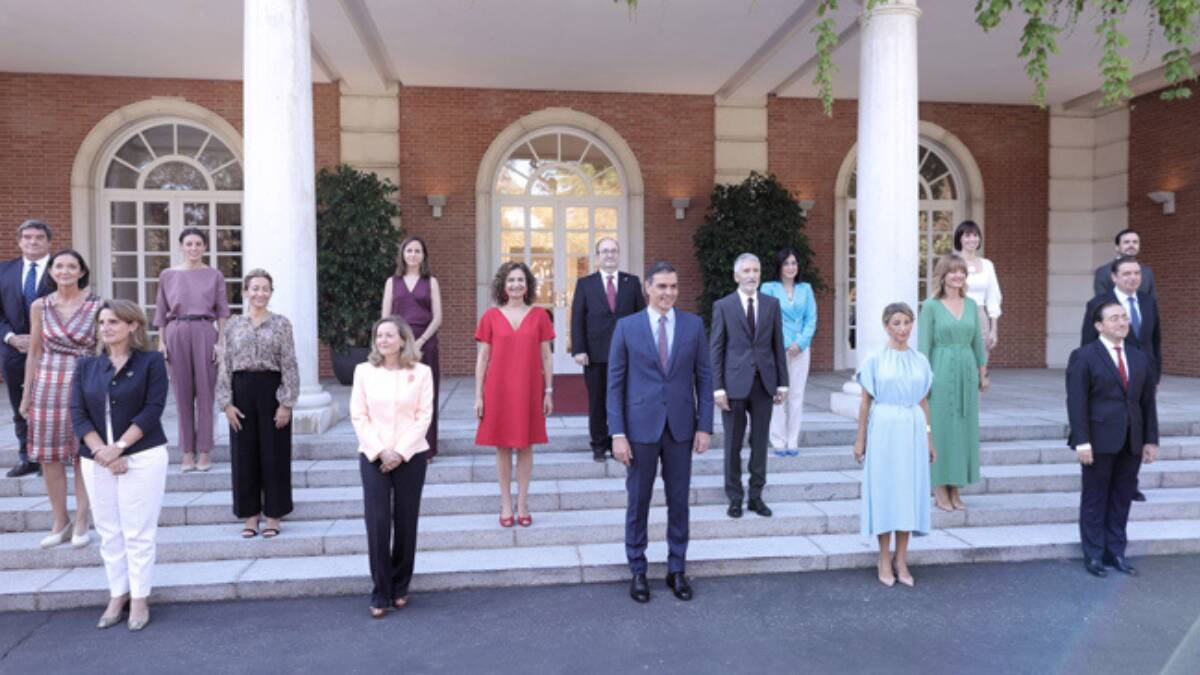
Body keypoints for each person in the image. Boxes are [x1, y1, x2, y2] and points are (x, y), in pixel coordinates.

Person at [608, 261, 713, 603]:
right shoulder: (627, 327)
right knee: (638, 501)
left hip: (681, 428)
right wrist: (617, 433)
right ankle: (638, 569)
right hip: (640, 429)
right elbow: (615, 385)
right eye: (662, 287)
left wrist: (705, 426)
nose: (669, 293)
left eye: (674, 287)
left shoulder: (693, 326)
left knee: (679, 502)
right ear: (648, 289)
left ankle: (676, 568)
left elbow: (705, 378)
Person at [70, 300, 169, 631]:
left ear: (133, 326)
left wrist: (120, 448)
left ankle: (140, 597)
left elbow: (153, 409)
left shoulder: (151, 363)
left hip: (142, 456)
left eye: (113, 321)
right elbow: (78, 414)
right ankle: (118, 594)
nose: (106, 327)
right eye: (101, 322)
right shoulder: (86, 367)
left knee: (138, 531)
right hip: (97, 460)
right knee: (109, 531)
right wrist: (103, 453)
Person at [350, 316, 434, 618]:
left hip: (410, 456)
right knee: (378, 522)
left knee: (406, 521)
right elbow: (359, 415)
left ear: (402, 340)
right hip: (374, 455)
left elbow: (424, 416)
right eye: (379, 336)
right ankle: (380, 590)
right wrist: (381, 451)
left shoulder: (422, 373)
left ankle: (401, 585)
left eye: (389, 335)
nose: (383, 340)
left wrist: (399, 452)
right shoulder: (363, 372)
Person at [1067, 300, 1158, 577]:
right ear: (1099, 326)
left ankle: (1115, 551)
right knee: (1095, 498)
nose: (1121, 322)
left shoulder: (1139, 356)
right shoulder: (1084, 356)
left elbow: (1147, 403)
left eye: (1124, 317)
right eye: (1114, 318)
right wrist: (1082, 441)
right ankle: (1094, 554)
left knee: (1121, 499)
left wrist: (1150, 440)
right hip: (1098, 439)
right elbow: (1077, 402)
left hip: (1132, 439)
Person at [19, 249, 101, 548]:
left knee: (83, 453)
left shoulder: (97, 305)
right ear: (51, 272)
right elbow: (35, 351)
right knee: (49, 456)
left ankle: (81, 519)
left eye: (72, 266)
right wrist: (27, 394)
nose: (65, 271)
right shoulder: (39, 305)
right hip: (48, 383)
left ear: (81, 271)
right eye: (59, 266)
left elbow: (105, 349)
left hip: (85, 381)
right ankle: (59, 519)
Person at [854, 303, 935, 587]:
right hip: (884, 426)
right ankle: (884, 557)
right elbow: (865, 402)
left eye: (907, 322)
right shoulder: (875, 359)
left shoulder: (920, 361)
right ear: (886, 326)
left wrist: (928, 437)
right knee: (887, 490)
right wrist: (860, 438)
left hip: (912, 426)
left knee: (908, 492)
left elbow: (924, 401)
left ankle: (902, 558)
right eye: (897, 323)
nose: (903, 328)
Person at [216, 269, 299, 539]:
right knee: (244, 455)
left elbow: (289, 363)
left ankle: (274, 515)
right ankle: (250, 516)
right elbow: (225, 365)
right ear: (245, 292)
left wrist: (286, 403)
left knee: (274, 454)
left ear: (271, 293)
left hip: (271, 390)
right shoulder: (232, 326)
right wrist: (226, 403)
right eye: (255, 288)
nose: (260, 293)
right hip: (241, 391)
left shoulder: (282, 324)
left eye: (265, 289)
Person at [474, 262, 553, 528]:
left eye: (521, 280)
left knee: (527, 445)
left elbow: (546, 356)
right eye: (511, 280)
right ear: (503, 285)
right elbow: (483, 357)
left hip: (530, 388)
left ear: (528, 284)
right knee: (503, 446)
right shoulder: (490, 316)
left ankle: (523, 503)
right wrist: (478, 396)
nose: (516, 285)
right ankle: (506, 503)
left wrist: (549, 391)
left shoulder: (540, 315)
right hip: (498, 389)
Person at [710, 253, 788, 518]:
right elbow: (716, 348)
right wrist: (717, 387)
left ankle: (756, 496)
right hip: (733, 386)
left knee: (759, 442)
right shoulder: (723, 305)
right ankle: (734, 496)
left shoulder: (771, 304)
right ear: (736, 276)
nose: (752, 275)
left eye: (755, 270)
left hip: (764, 383)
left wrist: (783, 383)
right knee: (732, 443)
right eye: (746, 271)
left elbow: (778, 345)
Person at [154, 227, 230, 473]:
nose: (194, 248)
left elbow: (222, 312)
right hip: (176, 331)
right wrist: (161, 341)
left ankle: (205, 450)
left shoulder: (214, 275)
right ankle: (187, 451)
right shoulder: (167, 275)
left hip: (205, 330)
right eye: (189, 244)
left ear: (205, 247)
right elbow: (160, 310)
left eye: (198, 243)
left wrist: (221, 344)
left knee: (206, 393)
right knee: (182, 394)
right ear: (181, 246)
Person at [920, 254, 988, 512]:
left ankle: (956, 487)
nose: (958, 276)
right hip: (940, 367)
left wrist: (982, 373)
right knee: (941, 429)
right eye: (953, 272)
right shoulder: (931, 306)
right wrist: (924, 382)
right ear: (943, 275)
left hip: (967, 370)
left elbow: (978, 342)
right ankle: (939, 486)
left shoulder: (971, 305)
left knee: (963, 429)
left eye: (962, 272)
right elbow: (924, 345)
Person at [570, 237, 645, 462]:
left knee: (624, 399)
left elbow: (641, 317)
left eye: (613, 251)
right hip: (594, 353)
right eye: (604, 251)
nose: (609, 255)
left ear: (618, 254)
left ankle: (618, 443)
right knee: (597, 400)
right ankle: (599, 445)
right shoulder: (585, 284)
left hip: (626, 353)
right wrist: (578, 349)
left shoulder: (631, 282)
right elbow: (577, 319)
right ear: (597, 256)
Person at [380, 236, 442, 461]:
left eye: (417, 251)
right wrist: (395, 342)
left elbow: (438, 317)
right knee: (399, 397)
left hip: (426, 344)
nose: (413, 255)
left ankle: (426, 449)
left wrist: (421, 341)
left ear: (423, 255)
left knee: (425, 397)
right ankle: (400, 446)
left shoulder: (431, 282)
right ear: (403, 255)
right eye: (409, 251)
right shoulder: (392, 282)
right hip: (398, 345)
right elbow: (385, 317)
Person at [2, 220, 53, 478]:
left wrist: (40, 338)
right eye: (28, 237)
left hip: (52, 350)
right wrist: (10, 337)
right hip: (14, 351)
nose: (33, 242)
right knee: (20, 406)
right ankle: (27, 457)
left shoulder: (62, 269)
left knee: (53, 404)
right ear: (20, 241)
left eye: (39, 237)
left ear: (48, 242)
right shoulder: (4, 271)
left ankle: (51, 457)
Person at [760, 248, 817, 457]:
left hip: (801, 349)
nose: (791, 267)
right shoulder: (768, 288)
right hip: (777, 347)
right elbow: (767, 318)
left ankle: (793, 440)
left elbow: (811, 319)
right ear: (779, 266)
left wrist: (800, 343)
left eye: (794, 263)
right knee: (778, 393)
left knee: (797, 394)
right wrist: (785, 342)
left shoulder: (806, 289)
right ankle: (778, 440)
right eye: (786, 263)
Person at [1082, 256, 1161, 386]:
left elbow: (1155, 340)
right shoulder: (1097, 303)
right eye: (1126, 273)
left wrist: (1156, 375)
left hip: (1146, 375)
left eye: (1137, 273)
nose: (1133, 277)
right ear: (1114, 277)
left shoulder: (1149, 302)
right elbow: (1088, 341)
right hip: (1111, 375)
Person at [954, 221, 1002, 352]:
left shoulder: (987, 265)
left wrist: (994, 329)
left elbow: (993, 296)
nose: (972, 239)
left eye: (975, 235)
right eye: (968, 235)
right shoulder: (952, 263)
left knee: (981, 362)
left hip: (980, 316)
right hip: (956, 314)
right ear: (960, 238)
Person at [1093, 228, 1155, 297]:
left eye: (1135, 242)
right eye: (1126, 242)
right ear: (1117, 247)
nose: (1131, 245)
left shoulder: (1147, 272)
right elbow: (1101, 302)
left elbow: (1152, 302)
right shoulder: (1103, 272)